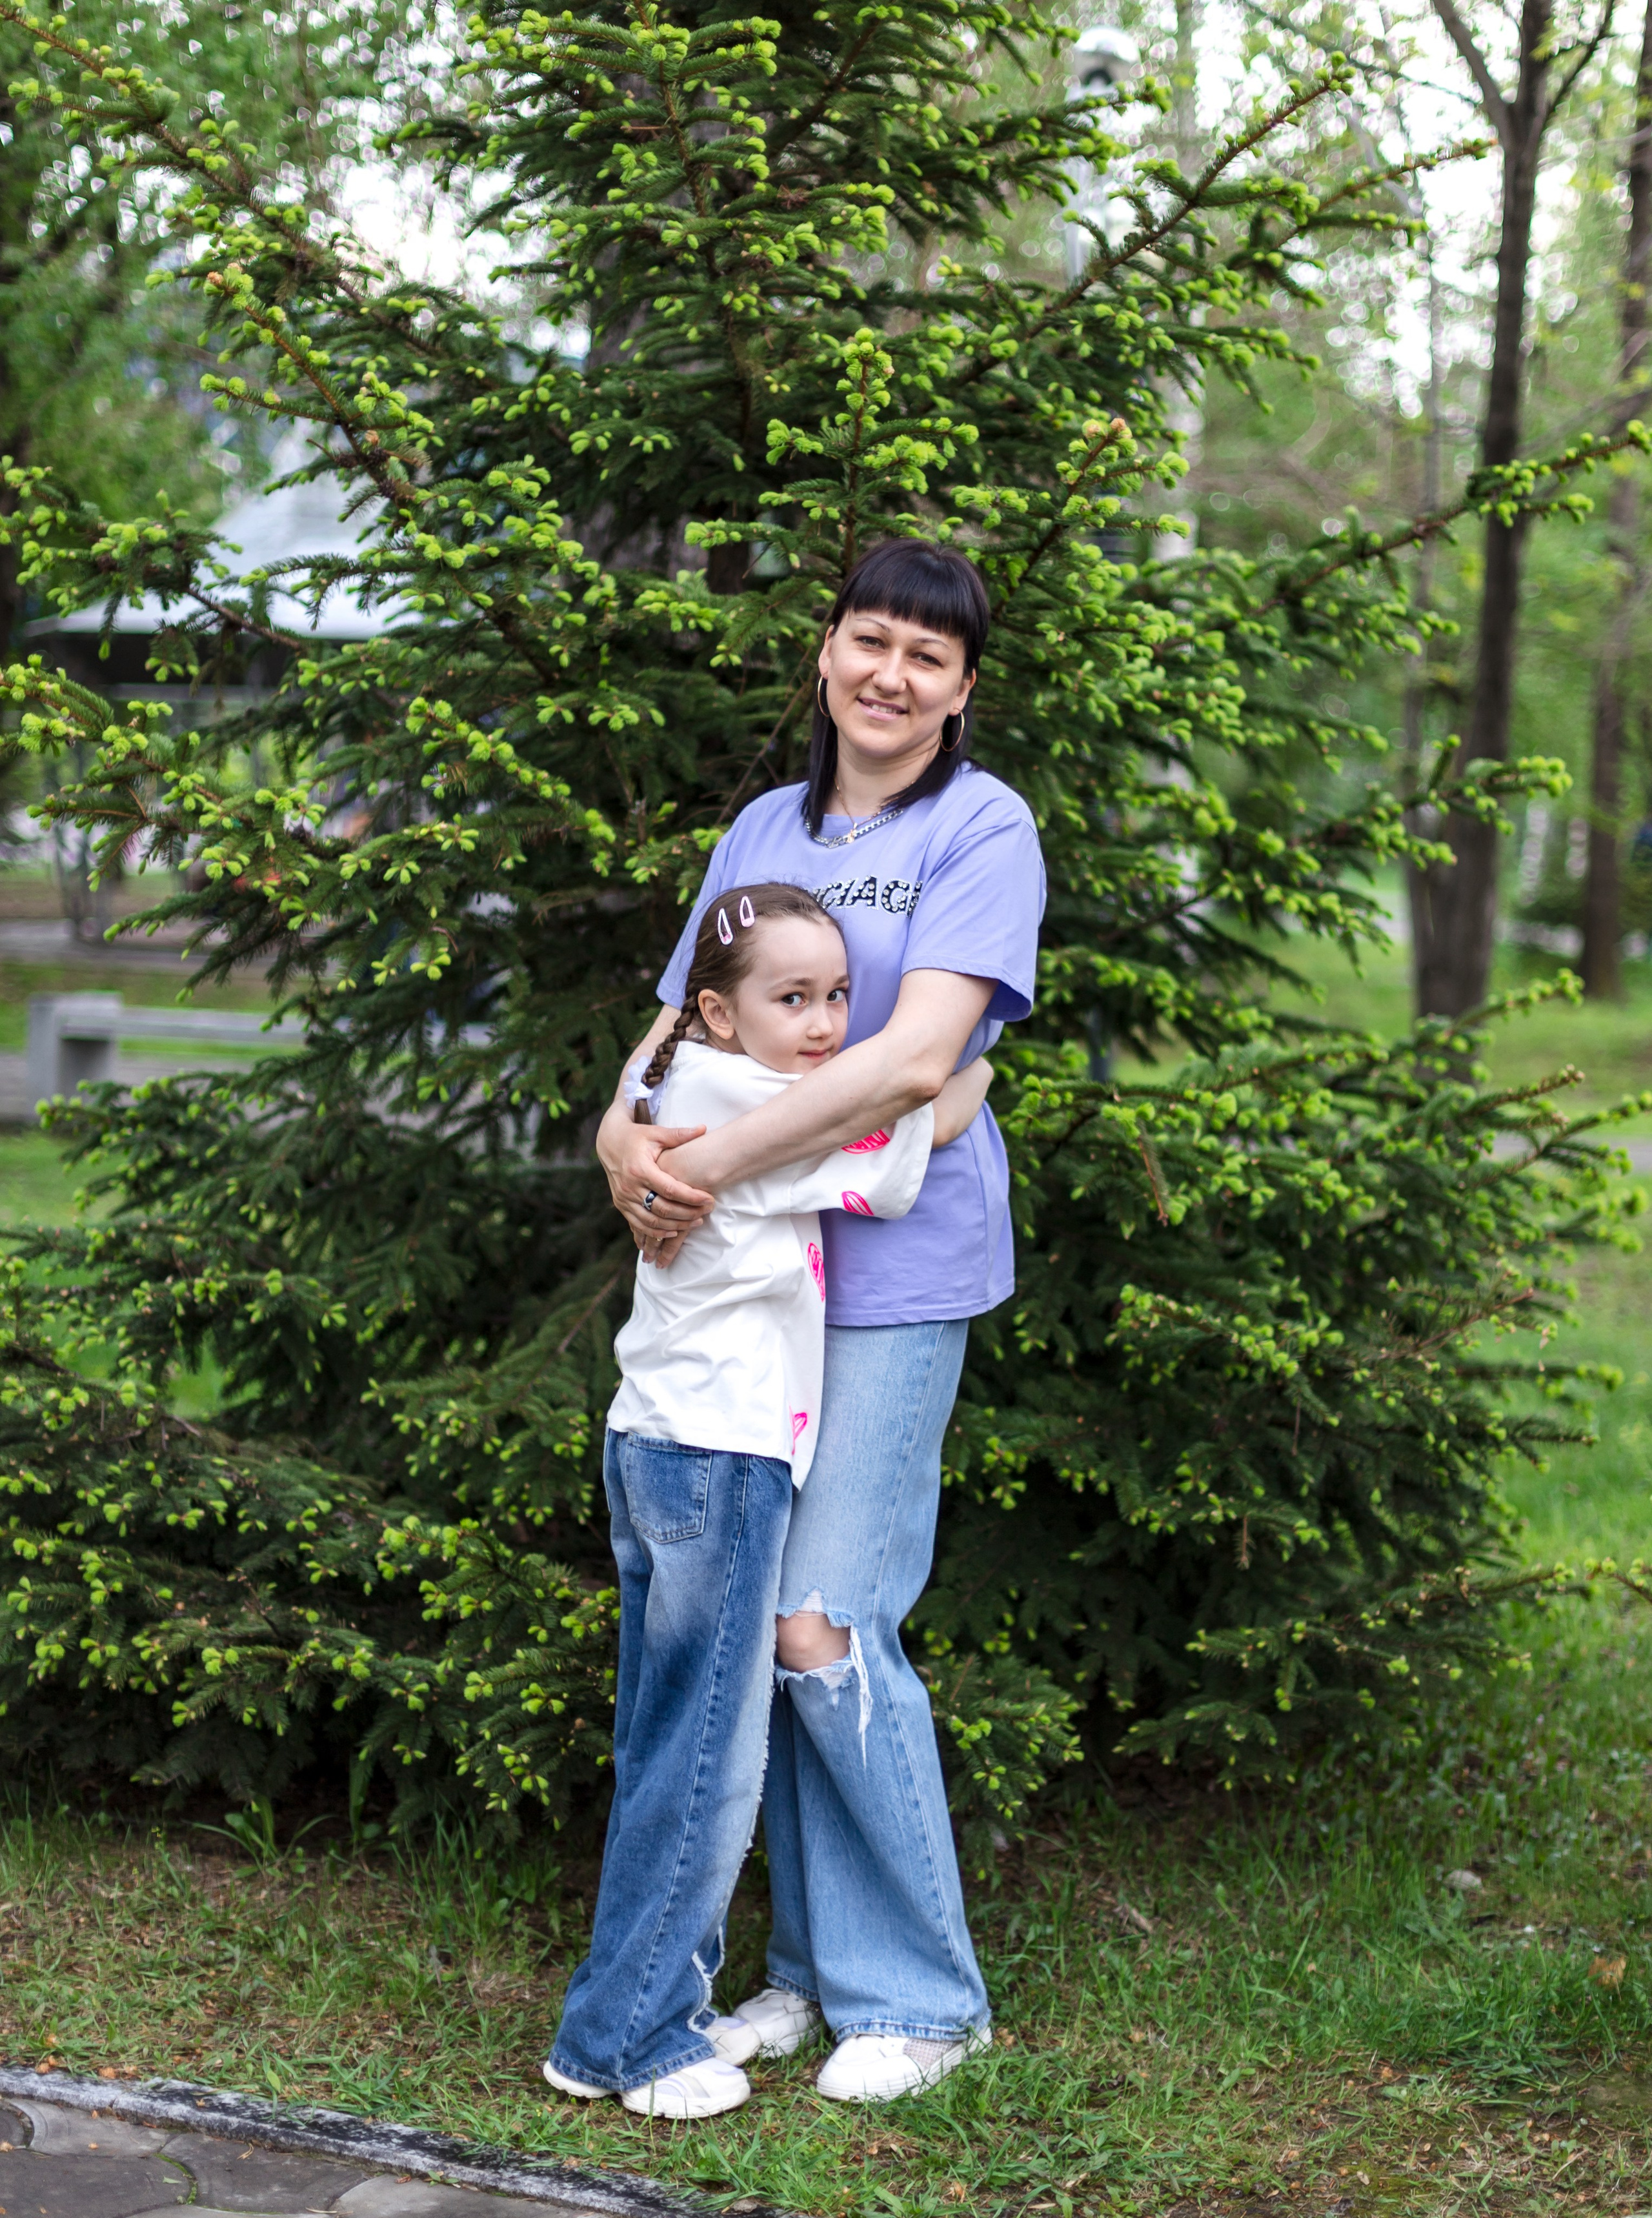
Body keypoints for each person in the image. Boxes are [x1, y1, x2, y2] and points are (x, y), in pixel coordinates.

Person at [595, 538, 1047, 2104]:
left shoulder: (981, 827)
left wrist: (705, 1164)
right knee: (754, 1627)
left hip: (895, 1272)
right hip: (752, 1299)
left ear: (961, 690)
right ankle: (805, 1973)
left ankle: (920, 1998)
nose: (890, 676)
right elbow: (676, 1028)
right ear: (825, 652)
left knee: (822, 1624)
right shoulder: (761, 831)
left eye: (928, 656)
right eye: (870, 640)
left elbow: (918, 1060)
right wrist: (622, 1143)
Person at [545, 881, 993, 2118]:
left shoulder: (676, 1079)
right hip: (724, 1454)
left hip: (653, 1438)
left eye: (839, 996)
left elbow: (644, 1091)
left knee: (662, 1739)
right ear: (717, 1012)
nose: (825, 1022)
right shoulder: (758, 1101)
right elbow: (903, 1139)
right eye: (792, 997)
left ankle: (613, 2021)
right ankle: (635, 2041)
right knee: (704, 1760)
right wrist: (973, 1068)